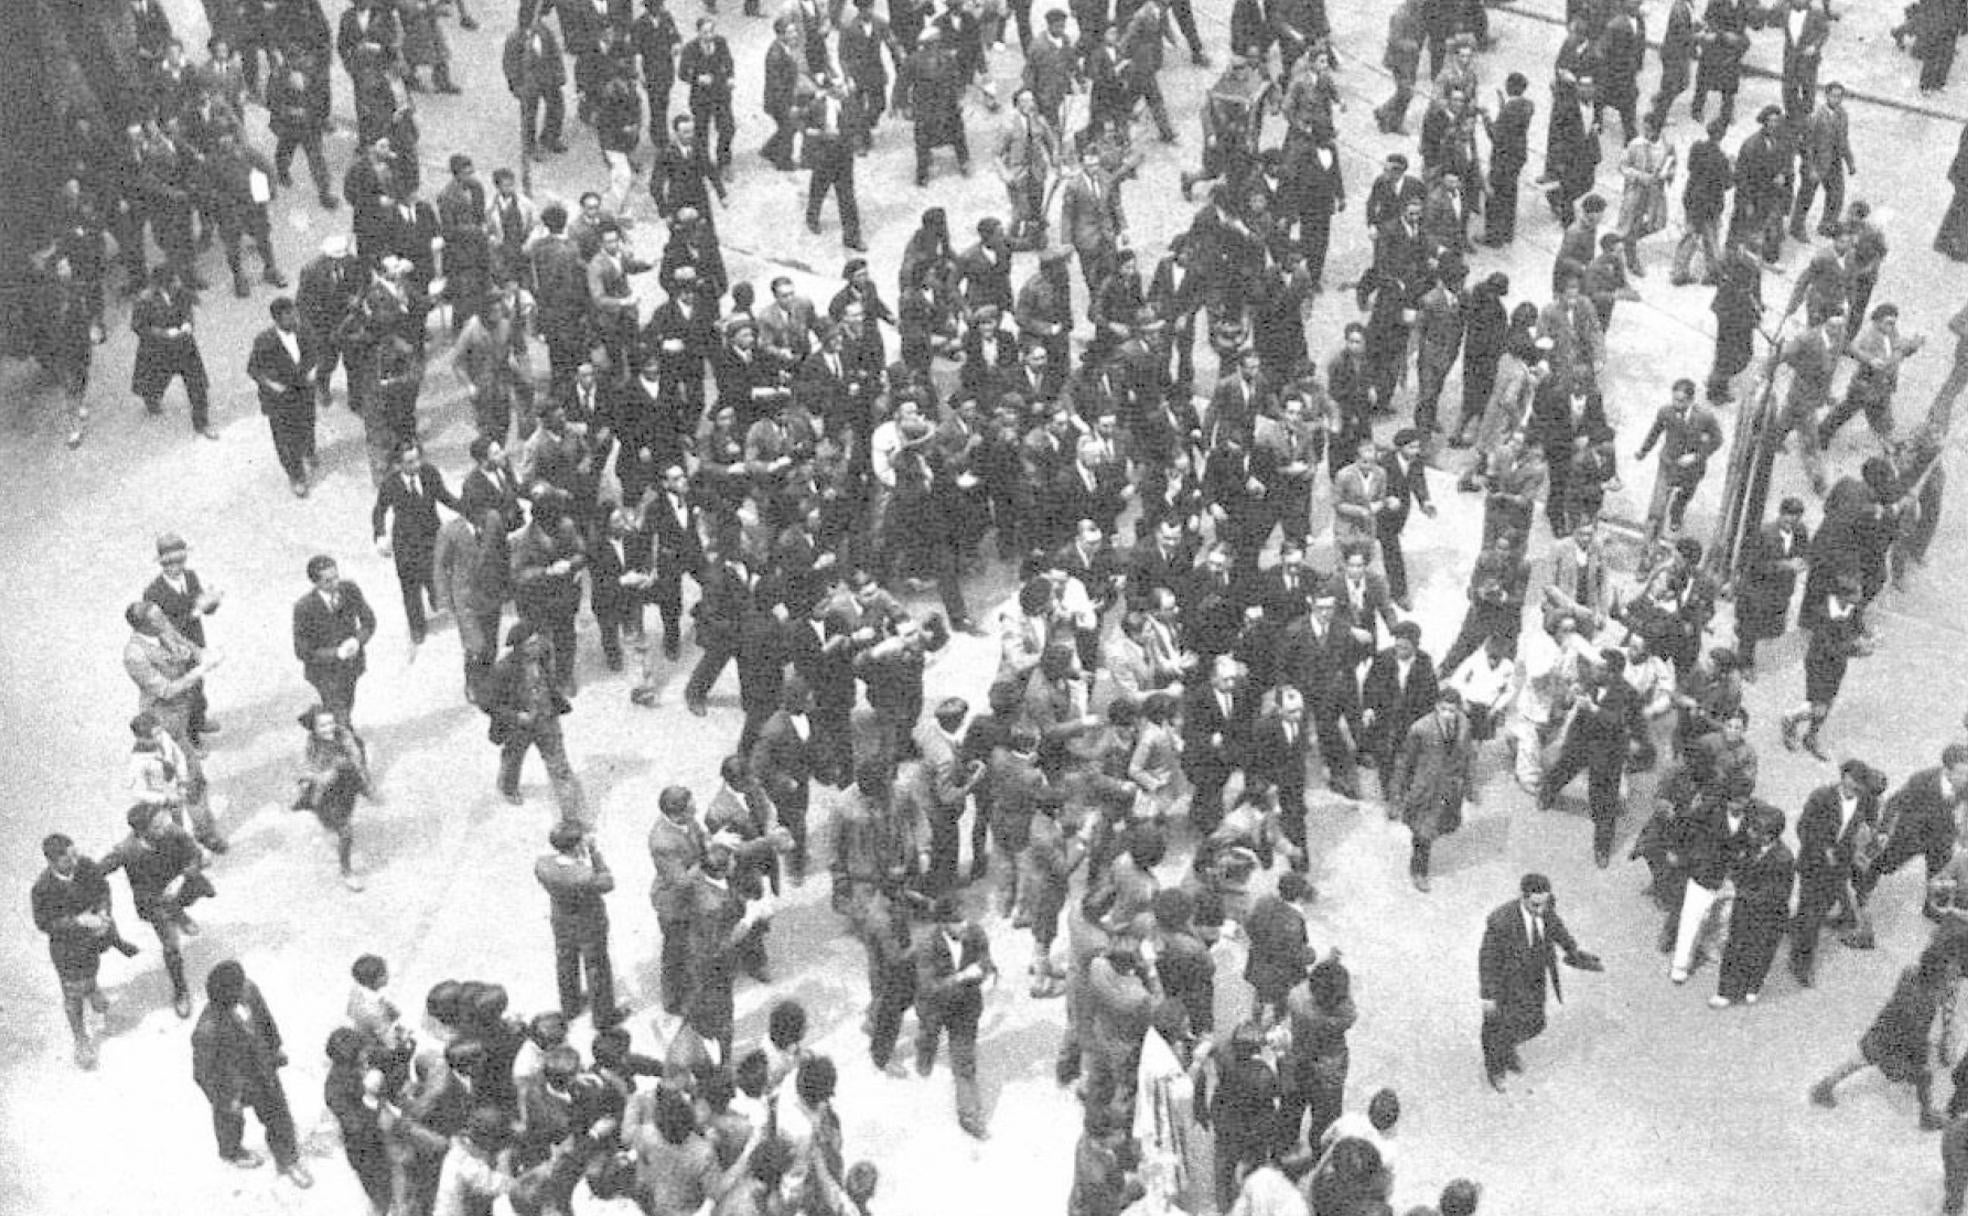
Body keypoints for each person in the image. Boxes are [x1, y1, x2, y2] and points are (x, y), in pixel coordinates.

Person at [1809, 927, 1968, 1128]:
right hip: (1901, 1046)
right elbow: (1917, 1036)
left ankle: (1826, 1085)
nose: (1953, 973)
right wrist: (1922, 1057)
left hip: (1883, 1030)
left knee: (1861, 1059)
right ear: (1938, 977)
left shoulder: (1909, 973)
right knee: (1924, 1078)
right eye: (1948, 971)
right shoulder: (1929, 1000)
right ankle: (1927, 1115)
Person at [191, 960, 313, 1187]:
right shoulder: (207, 1029)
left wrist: (275, 1047)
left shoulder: (248, 990)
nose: (243, 989)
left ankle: (287, 1160)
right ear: (222, 995)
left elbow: (266, 1020)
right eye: (237, 988)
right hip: (232, 1084)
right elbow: (202, 1073)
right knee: (230, 1121)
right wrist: (225, 1100)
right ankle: (232, 1151)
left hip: (262, 1070)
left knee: (278, 1115)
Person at [1477, 872, 1600, 1090]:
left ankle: (1508, 1050)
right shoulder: (1500, 922)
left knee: (1531, 1022)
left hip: (1534, 977)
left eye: (1544, 904)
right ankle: (1495, 1068)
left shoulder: (1545, 907)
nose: (1541, 910)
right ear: (1523, 898)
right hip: (1508, 982)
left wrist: (1572, 949)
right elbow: (1488, 960)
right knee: (1498, 1026)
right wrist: (1488, 996)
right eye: (1535, 906)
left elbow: (1556, 928)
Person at [32, 834, 135, 1069]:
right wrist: (78, 921)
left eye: (75, 853)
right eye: (69, 858)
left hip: (92, 938)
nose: (76, 860)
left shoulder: (86, 866)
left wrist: (103, 912)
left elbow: (103, 889)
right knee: (72, 995)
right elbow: (44, 923)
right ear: (53, 861)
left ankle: (93, 989)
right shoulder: (42, 888)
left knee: (91, 971)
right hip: (66, 949)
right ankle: (81, 1039)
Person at [483, 623, 588, 821]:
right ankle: (507, 785)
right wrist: (515, 716)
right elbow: (488, 703)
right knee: (513, 758)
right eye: (531, 643)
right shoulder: (503, 669)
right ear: (519, 646)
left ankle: (571, 817)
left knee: (560, 768)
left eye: (537, 641)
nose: (537, 645)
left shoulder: (543, 656)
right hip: (519, 728)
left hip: (547, 721)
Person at [913, 894, 994, 1139]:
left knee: (964, 1062)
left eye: (966, 920)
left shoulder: (975, 932)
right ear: (944, 923)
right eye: (958, 922)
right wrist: (960, 978)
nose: (964, 926)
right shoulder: (927, 943)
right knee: (928, 1037)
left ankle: (969, 1117)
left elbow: (986, 960)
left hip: (964, 1007)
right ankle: (924, 1057)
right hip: (935, 1007)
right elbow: (928, 987)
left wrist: (983, 973)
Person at [534, 821, 625, 1027]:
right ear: (576, 846)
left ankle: (570, 1006)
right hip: (589, 922)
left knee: (566, 961)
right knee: (596, 967)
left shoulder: (543, 865)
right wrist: (594, 853)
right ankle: (603, 1016)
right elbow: (607, 881)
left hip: (561, 919)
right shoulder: (584, 875)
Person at [1391, 689, 1477, 893]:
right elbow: (1405, 762)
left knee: (1440, 826)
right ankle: (1419, 871)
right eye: (1444, 709)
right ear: (1437, 707)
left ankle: (1421, 853)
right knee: (1423, 832)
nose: (1448, 714)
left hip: (1449, 788)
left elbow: (1467, 756)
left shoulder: (1464, 725)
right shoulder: (1420, 729)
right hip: (1426, 788)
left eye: (1452, 710)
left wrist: (1470, 786)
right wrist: (1396, 794)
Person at [1711, 805, 1795, 1008]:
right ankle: (1725, 991)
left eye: (1756, 830)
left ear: (1769, 836)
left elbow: (1776, 893)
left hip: (1769, 915)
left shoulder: (1783, 859)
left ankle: (1752, 986)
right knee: (1735, 947)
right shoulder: (1749, 847)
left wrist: (1740, 892)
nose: (1750, 832)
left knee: (1760, 951)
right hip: (1746, 908)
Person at [293, 704, 373, 891]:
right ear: (314, 728)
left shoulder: (344, 736)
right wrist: (319, 777)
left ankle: (335, 828)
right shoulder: (311, 747)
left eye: (331, 723)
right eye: (323, 726)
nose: (329, 728)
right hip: (325, 795)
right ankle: (347, 871)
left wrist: (363, 783)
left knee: (343, 820)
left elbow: (356, 759)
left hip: (345, 788)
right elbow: (305, 771)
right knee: (345, 831)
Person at [292, 555, 377, 728]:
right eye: (328, 581)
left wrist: (357, 641)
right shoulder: (304, 608)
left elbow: (369, 621)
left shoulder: (350, 590)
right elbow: (302, 651)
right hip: (324, 673)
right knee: (340, 714)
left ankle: (336, 736)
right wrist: (336, 653)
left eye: (336, 577)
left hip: (351, 667)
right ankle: (349, 747)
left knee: (347, 704)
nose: (334, 583)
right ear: (316, 583)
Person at [130, 266, 215, 437]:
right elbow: (139, 326)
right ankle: (151, 398)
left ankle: (201, 422)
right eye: (173, 281)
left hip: (184, 345)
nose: (177, 283)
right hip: (159, 350)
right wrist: (163, 333)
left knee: (196, 383)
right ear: (163, 284)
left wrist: (187, 324)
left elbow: (187, 311)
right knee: (157, 380)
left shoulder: (180, 292)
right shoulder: (144, 300)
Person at [248, 296, 320, 497]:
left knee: (308, 423)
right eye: (288, 316)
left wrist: (313, 369)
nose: (294, 319)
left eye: (294, 313)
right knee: (286, 440)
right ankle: (296, 476)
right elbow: (253, 369)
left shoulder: (303, 331)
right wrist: (272, 385)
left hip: (303, 390)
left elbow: (314, 353)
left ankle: (309, 450)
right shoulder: (264, 341)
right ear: (277, 319)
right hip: (279, 399)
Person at [1732, 497, 1809, 678]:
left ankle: (1748, 650)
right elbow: (1755, 566)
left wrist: (1802, 562)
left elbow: (1804, 552)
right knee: (1750, 628)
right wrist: (1785, 566)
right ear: (1780, 515)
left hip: (1780, 591)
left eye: (1795, 519)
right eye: (1788, 517)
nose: (1791, 523)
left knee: (1769, 626)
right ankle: (1745, 663)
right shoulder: (1764, 533)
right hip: (1758, 590)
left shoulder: (1800, 533)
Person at [1939, 125, 1968, 263]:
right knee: (1962, 207)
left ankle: (1946, 240)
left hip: (1962, 172)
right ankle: (1957, 245)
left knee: (1958, 206)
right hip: (1964, 172)